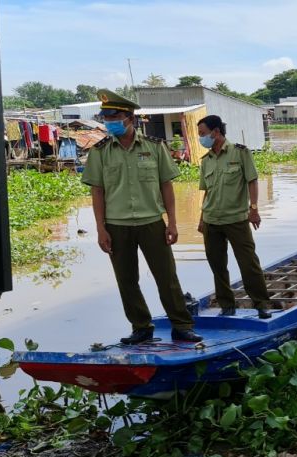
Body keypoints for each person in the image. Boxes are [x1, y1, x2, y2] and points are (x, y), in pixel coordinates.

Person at [80, 89, 202, 344]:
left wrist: (173, 222)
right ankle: (141, 327)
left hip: (151, 223)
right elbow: (97, 192)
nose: (108, 122)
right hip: (117, 225)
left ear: (129, 117)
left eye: (113, 117)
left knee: (167, 278)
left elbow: (166, 187)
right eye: (106, 118)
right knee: (126, 280)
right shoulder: (100, 152)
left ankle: (181, 326)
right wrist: (101, 229)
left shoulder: (155, 147)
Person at [196, 115, 272, 320]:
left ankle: (261, 304)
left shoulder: (240, 153)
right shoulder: (206, 161)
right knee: (217, 266)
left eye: (203, 134)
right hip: (212, 221)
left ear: (216, 132)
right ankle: (226, 305)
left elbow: (252, 181)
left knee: (248, 263)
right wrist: (202, 218)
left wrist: (254, 209)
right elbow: (207, 192)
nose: (200, 138)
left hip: (236, 219)